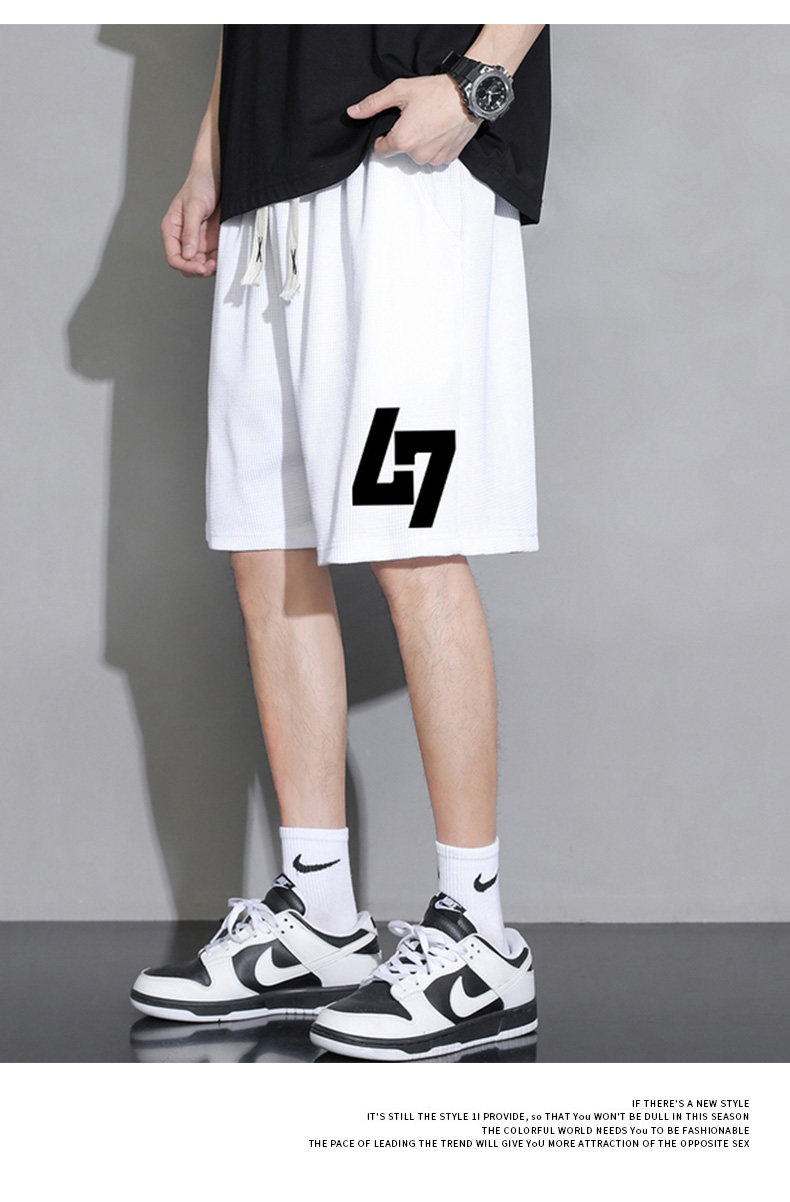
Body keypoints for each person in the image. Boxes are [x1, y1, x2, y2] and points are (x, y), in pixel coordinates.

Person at [130, 24, 551, 1061]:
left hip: (405, 159)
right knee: (267, 546)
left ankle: (481, 938)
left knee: (413, 541)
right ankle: (319, 915)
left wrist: (480, 80)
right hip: (270, 175)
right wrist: (213, 152)